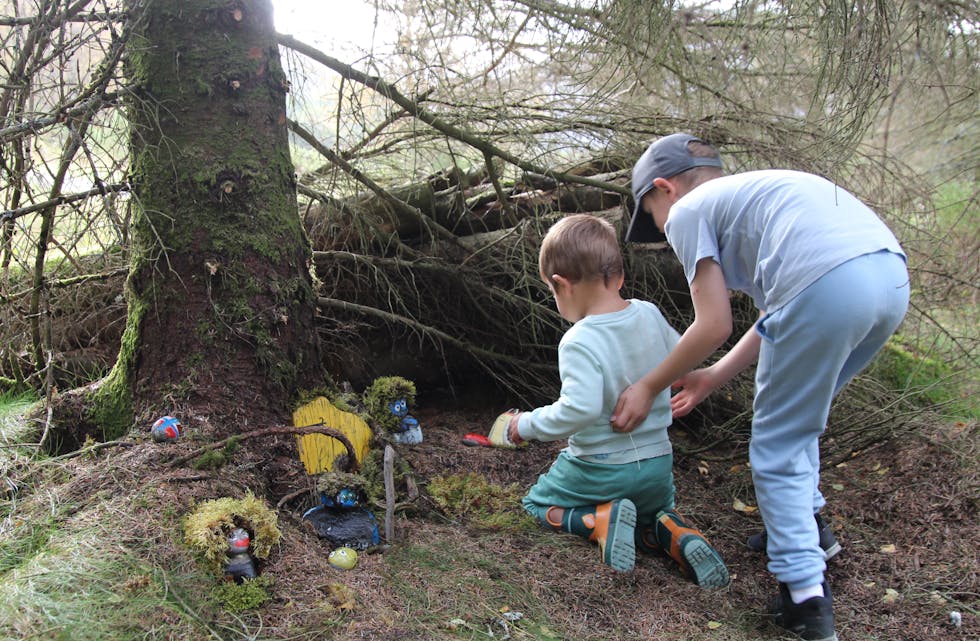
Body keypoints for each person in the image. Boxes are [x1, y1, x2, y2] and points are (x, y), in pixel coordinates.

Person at [615, 133, 910, 641]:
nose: (664, 235)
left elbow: (712, 325)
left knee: (776, 445)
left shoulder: (689, 213)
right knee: (800, 423)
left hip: (828, 287)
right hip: (887, 276)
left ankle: (805, 601)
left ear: (666, 189)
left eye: (654, 218)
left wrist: (648, 384)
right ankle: (812, 531)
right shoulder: (755, 198)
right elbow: (777, 313)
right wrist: (710, 376)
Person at [496, 213, 730, 588]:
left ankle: (596, 521)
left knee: (536, 504)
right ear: (619, 276)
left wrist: (524, 424)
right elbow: (679, 362)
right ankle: (674, 533)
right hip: (657, 464)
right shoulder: (650, 314)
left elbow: (580, 409)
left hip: (600, 469)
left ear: (561, 285)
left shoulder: (578, 340)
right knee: (650, 515)